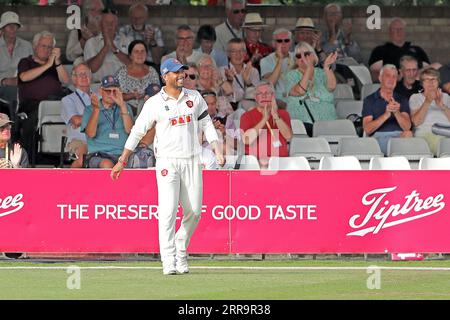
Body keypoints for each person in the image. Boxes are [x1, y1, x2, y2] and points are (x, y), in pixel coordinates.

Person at [110, 58, 225, 275]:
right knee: (168, 211)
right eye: (176, 72)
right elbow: (137, 131)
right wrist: (122, 160)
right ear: (165, 76)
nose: (181, 75)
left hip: (192, 159)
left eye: (183, 71)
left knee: (195, 212)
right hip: (167, 162)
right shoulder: (154, 103)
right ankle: (169, 260)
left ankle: (181, 244)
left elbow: (206, 123)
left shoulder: (194, 97)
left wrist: (217, 148)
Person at [17, 30, 70, 158]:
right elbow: (24, 77)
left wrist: (56, 62)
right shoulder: (26, 62)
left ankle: (64, 154)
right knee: (34, 120)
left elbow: (66, 81)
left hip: (56, 104)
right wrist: (47, 65)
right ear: (35, 46)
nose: (47, 50)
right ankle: (32, 158)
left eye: (50, 47)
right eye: (43, 46)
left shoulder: (55, 65)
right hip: (32, 106)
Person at [285, 41, 338, 136]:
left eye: (306, 54)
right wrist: (309, 68)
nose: (303, 58)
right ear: (295, 60)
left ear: (314, 56)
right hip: (303, 127)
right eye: (298, 56)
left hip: (329, 124)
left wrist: (327, 67)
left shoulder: (322, 73)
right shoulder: (290, 75)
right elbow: (300, 91)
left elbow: (331, 87)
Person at [81, 75, 134, 168]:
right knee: (107, 164)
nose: (111, 94)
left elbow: (130, 131)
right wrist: (96, 110)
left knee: (138, 162)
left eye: (115, 91)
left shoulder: (125, 107)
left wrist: (122, 105)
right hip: (99, 154)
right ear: (101, 91)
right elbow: (90, 134)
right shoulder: (89, 109)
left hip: (123, 155)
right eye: (108, 91)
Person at [368, 18, 441, 82]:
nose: (398, 31)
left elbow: (429, 69)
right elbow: (375, 73)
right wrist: (396, 76)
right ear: (390, 32)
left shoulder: (417, 49)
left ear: (405, 32)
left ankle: (411, 78)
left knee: (437, 65)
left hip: (419, 79)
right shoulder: (380, 50)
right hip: (397, 80)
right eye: (395, 29)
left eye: (401, 29)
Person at [240, 81, 292, 168]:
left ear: (273, 96)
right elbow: (246, 140)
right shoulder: (247, 116)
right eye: (260, 94)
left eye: (267, 93)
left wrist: (275, 116)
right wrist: (264, 119)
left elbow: (288, 136)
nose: (263, 96)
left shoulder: (283, 114)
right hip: (255, 163)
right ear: (256, 98)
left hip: (280, 161)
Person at [362, 64, 412, 155]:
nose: (391, 79)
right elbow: (367, 129)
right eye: (388, 75)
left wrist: (396, 112)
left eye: (394, 77)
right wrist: (386, 115)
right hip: (379, 139)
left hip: (400, 138)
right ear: (380, 78)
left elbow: (407, 126)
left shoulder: (402, 99)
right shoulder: (370, 100)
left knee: (408, 134)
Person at [114, 40, 160, 116]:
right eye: (136, 51)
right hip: (128, 111)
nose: (140, 54)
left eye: (142, 51)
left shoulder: (152, 71)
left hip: (149, 110)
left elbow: (158, 92)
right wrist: (132, 96)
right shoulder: (122, 72)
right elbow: (116, 95)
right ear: (130, 55)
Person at [0, 11, 33, 118]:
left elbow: (33, 67)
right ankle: (14, 128)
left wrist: (21, 80)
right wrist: (4, 81)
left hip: (21, 85)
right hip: (2, 85)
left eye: (15, 26)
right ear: (2, 28)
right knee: (14, 93)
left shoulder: (26, 46)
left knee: (18, 93)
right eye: (9, 26)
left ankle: (16, 125)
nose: (13, 29)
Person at [410, 68, 450, 154]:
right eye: (427, 80)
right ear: (422, 83)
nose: (430, 82)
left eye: (433, 79)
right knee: (442, 144)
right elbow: (416, 122)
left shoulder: (446, 97)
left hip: (447, 134)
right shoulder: (415, 97)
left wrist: (442, 106)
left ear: (438, 82)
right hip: (426, 134)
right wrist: (427, 101)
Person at [84, 9, 131, 83]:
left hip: (123, 84)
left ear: (117, 24)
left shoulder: (127, 40)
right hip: (99, 85)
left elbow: (132, 65)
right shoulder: (91, 42)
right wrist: (106, 47)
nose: (110, 25)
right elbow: (92, 68)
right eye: (106, 22)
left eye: (113, 22)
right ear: (100, 24)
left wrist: (113, 47)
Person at [61, 62, 91, 168]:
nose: (84, 76)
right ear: (74, 79)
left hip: (101, 138)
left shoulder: (99, 96)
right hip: (80, 140)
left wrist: (84, 121)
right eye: (80, 74)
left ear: (91, 77)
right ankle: (70, 182)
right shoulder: (68, 100)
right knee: (82, 159)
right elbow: (76, 121)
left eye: (86, 74)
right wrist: (99, 118)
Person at [219, 38, 260, 110]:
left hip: (250, 110)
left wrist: (248, 82)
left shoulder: (253, 71)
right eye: (234, 51)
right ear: (228, 54)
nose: (238, 54)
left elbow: (256, 97)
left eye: (241, 51)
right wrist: (229, 81)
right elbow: (226, 98)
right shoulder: (222, 71)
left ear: (245, 53)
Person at [260, 28, 295, 108]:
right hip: (277, 100)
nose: (283, 43)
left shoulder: (297, 57)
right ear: (273, 44)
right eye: (279, 41)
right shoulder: (266, 60)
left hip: (295, 97)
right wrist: (280, 60)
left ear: (291, 42)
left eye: (286, 40)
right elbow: (269, 84)